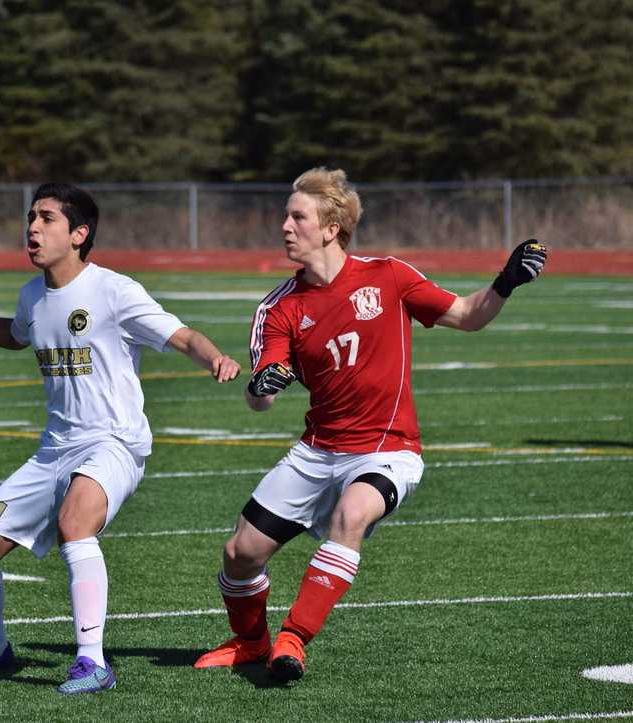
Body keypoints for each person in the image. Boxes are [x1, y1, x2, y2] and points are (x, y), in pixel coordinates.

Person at [193, 167, 546, 683]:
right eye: (285, 217)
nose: (285, 227)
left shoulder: (389, 276)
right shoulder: (277, 308)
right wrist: (260, 387)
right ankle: (250, 642)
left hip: (388, 448)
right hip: (318, 449)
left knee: (352, 514)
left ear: (331, 227)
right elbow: (259, 400)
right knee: (240, 553)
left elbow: (468, 315)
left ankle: (293, 640)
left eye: (297, 217)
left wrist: (505, 281)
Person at [0, 182, 241, 694]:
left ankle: (92, 664)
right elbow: (18, 334)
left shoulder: (115, 291)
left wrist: (216, 358)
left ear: (79, 234)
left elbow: (181, 335)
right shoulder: (33, 295)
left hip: (113, 443)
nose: (32, 228)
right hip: (55, 448)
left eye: (46, 219)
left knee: (76, 524)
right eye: (31, 217)